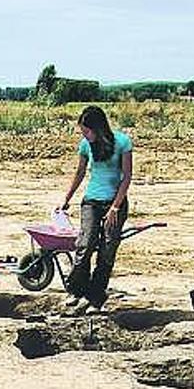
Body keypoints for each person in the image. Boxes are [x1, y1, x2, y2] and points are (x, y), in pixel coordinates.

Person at [59, 105, 133, 314]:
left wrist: (115, 207)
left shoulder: (123, 143)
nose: (84, 135)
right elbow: (80, 173)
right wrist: (66, 199)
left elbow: (126, 177)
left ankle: (95, 298)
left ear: (98, 128)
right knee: (85, 244)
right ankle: (76, 291)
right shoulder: (85, 146)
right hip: (91, 201)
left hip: (114, 203)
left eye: (87, 131)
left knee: (107, 252)